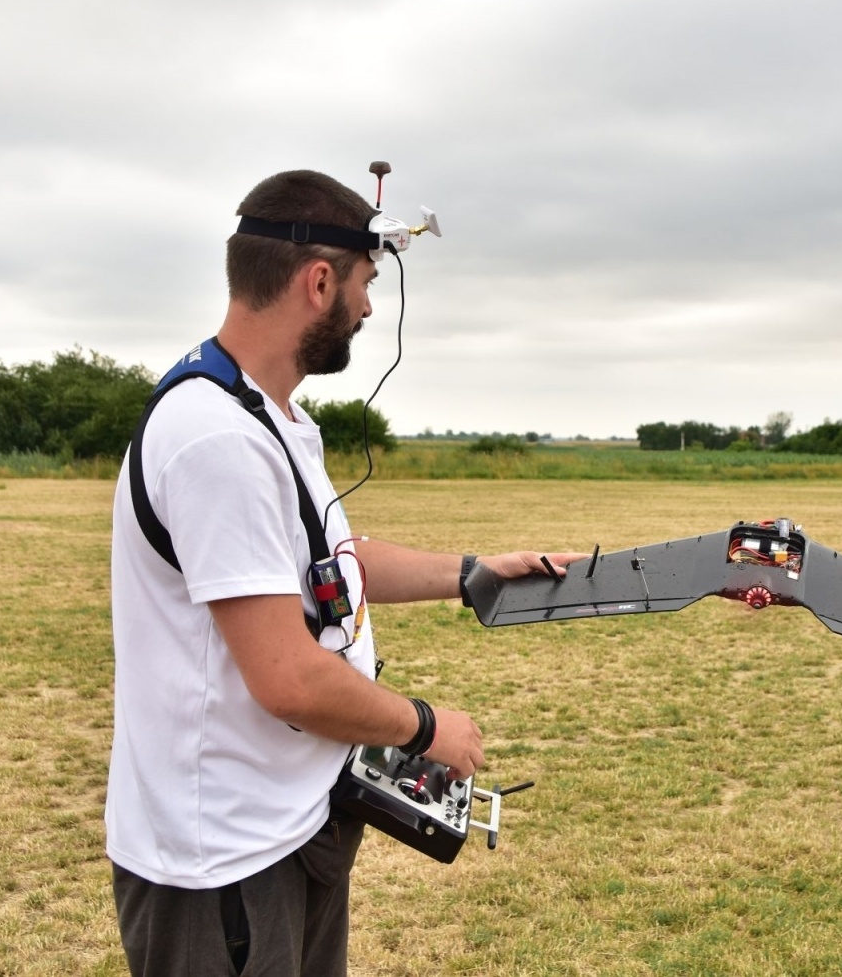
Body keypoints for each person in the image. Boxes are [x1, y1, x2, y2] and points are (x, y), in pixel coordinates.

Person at [105, 169, 584, 976]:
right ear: (317, 281)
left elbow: (331, 561)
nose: (366, 309)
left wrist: (473, 571)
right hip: (224, 864)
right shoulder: (216, 438)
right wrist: (427, 727)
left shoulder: (268, 414)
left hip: (289, 829)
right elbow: (289, 679)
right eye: (365, 284)